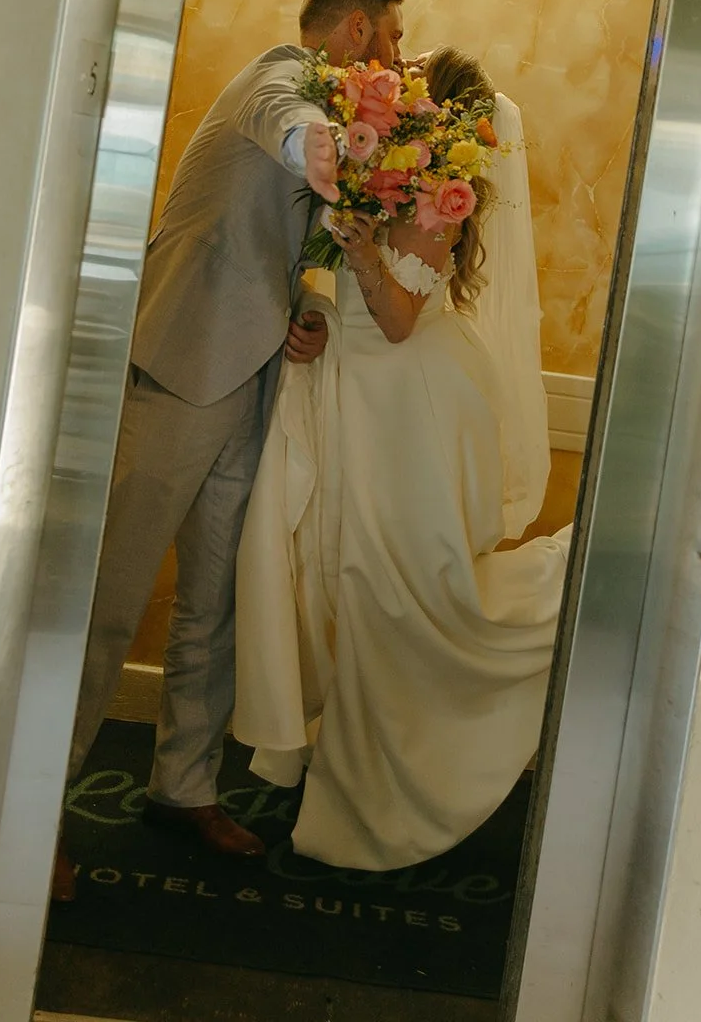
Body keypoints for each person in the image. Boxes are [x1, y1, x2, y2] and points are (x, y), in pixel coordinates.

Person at [52, 0, 405, 898]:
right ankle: (32, 807)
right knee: (109, 602)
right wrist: (327, 146)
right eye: (392, 46)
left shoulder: (316, 96)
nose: (398, 65)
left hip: (254, 383)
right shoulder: (276, 76)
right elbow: (289, 124)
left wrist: (311, 308)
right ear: (357, 32)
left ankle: (182, 788)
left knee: (213, 604)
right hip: (177, 370)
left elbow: (293, 243)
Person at [232, 46, 573, 871]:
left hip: (411, 407)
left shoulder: (440, 192)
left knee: (393, 590)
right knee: (356, 581)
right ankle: (346, 765)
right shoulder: (383, 169)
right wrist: (314, 311)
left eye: (414, 72)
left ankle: (381, 794)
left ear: (439, 110)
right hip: (364, 394)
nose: (397, 71)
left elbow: (393, 318)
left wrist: (353, 249)